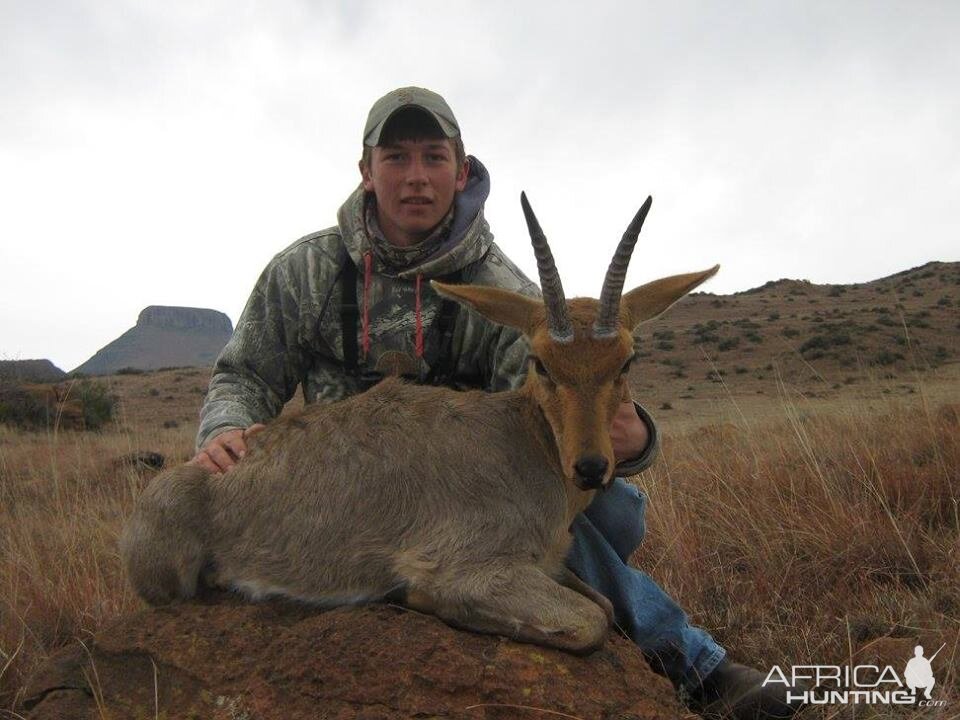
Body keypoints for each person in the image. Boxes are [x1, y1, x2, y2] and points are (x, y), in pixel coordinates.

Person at [191, 86, 803, 720]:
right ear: (366, 173)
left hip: (462, 495)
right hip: (345, 482)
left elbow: (549, 427)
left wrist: (636, 437)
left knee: (576, 507)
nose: (417, 177)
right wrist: (227, 428)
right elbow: (243, 375)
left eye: (434, 157)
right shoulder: (305, 272)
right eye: (396, 158)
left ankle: (689, 661)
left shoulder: (508, 293)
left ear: (461, 170)